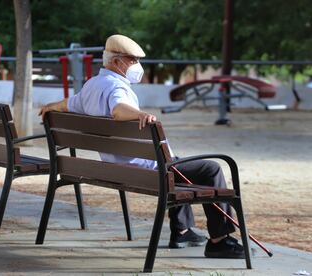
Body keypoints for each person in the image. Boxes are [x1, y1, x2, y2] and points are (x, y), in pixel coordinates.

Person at [39, 34, 245, 258]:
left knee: (178, 164)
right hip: (146, 169)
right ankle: (220, 241)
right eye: (133, 60)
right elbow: (118, 109)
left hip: (117, 167)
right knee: (209, 169)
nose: (137, 65)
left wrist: (50, 107)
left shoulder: (92, 85)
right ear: (117, 62)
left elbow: (68, 105)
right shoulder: (117, 87)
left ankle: (182, 231)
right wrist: (140, 114)